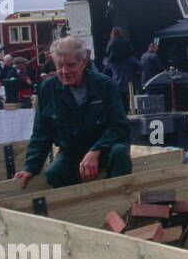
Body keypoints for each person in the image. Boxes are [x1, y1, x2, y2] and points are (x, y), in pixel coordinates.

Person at [14, 37, 132, 189]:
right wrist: (29, 168)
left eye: (70, 65)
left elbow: (120, 126)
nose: (64, 71)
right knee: (53, 173)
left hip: (105, 149)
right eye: (59, 66)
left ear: (83, 63)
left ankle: (119, 198)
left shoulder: (104, 85)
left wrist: (96, 150)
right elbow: (41, 133)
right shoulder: (47, 89)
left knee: (120, 152)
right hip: (72, 152)